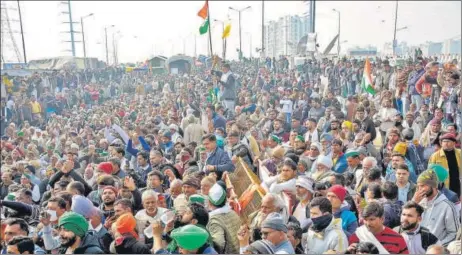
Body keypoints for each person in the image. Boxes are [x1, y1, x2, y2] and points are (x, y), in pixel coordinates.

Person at [413, 169, 460, 246]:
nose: (419, 189)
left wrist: (437, 247)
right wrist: (413, 203)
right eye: (418, 186)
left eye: (422, 186)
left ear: (433, 186)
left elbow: (454, 234)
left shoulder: (447, 207)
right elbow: (405, 224)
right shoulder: (418, 203)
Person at [206, 181, 241, 254]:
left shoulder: (214, 220)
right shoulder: (233, 213)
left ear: (209, 202)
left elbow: (219, 244)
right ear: (225, 200)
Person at [428, 133, 461, 197]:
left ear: (454, 143)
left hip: (457, 184)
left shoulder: (459, 153)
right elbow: (429, 173)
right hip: (443, 187)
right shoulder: (435, 156)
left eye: (448, 141)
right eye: (444, 142)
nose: (446, 143)